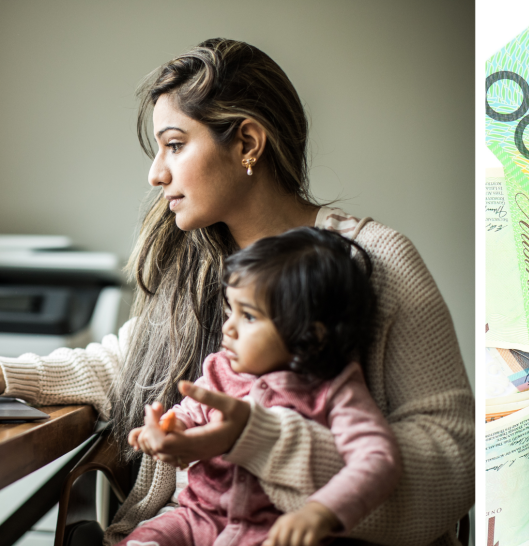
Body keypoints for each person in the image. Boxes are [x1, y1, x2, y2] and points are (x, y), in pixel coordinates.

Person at [0, 38, 473, 546]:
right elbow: (128, 365)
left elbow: (453, 455)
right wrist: (7, 374)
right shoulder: (197, 264)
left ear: (247, 142)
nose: (156, 173)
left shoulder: (374, 261)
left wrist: (259, 441)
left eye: (175, 145)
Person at [124, 227, 400, 546]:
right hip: (196, 517)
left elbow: (378, 459)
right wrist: (169, 429)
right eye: (231, 310)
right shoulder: (220, 368)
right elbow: (187, 411)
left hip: (275, 531)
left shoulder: (335, 389)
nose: (228, 327)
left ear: (312, 334)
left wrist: (322, 512)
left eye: (249, 316)